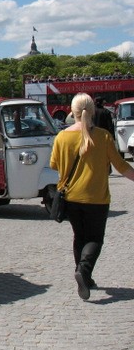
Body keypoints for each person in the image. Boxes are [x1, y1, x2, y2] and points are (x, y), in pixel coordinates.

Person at [50, 93, 134, 300]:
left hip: (70, 197)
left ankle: (85, 277)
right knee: (95, 238)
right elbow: (121, 166)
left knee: (80, 237)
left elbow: (53, 165)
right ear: (93, 110)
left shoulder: (62, 137)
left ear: (72, 111)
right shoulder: (104, 136)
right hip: (96, 197)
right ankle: (83, 272)